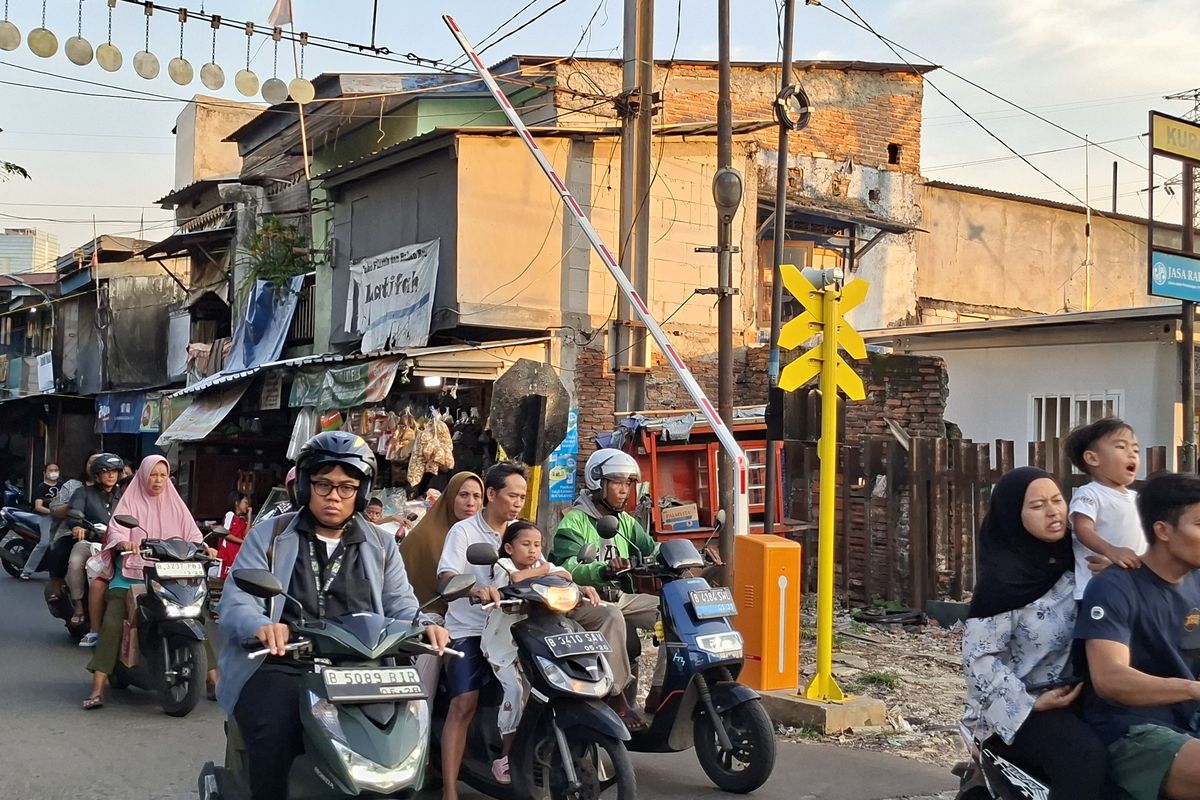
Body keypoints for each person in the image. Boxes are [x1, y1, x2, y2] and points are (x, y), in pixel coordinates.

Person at [217, 431, 450, 800]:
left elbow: (401, 603)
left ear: (361, 491)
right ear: (305, 486)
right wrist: (261, 625)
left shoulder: (381, 543)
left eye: (346, 487)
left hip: (362, 667)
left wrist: (424, 625)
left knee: (402, 741)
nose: (334, 496)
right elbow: (237, 601)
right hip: (286, 663)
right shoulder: (270, 535)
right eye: (323, 484)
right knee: (274, 732)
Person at [437, 463, 623, 800]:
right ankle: (450, 791)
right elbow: (446, 576)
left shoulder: (522, 533)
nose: (518, 502)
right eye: (512, 495)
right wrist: (474, 589)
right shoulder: (464, 532)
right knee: (464, 703)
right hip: (472, 627)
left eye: (522, 497)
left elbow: (550, 570)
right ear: (491, 494)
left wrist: (579, 587)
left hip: (523, 625)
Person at [961, 467, 1107, 800]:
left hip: (1087, 692)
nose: (1053, 511)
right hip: (1024, 706)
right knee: (1084, 757)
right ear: (1015, 515)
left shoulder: (1082, 559)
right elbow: (979, 658)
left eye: (1057, 500)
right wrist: (1030, 703)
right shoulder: (1003, 580)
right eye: (1037, 506)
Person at [1075, 471, 1200, 800]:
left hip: (1189, 720)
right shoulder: (1114, 587)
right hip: (1132, 730)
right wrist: (1191, 689)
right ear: (1163, 531)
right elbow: (1110, 678)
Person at [82, 455, 217, 710]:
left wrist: (205, 547)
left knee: (196, 614)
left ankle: (212, 680)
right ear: (144, 476)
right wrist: (124, 542)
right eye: (153, 475)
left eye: (163, 475)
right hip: (130, 577)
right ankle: (98, 687)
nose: (158, 480)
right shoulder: (130, 502)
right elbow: (116, 530)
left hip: (168, 575)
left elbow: (193, 534)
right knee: (113, 621)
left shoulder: (176, 504)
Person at [550, 448, 662, 712]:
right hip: (586, 599)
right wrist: (603, 570)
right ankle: (616, 694)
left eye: (628, 484)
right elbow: (568, 567)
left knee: (670, 612)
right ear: (597, 481)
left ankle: (660, 689)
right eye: (617, 482)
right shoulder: (574, 521)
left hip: (621, 597)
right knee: (612, 616)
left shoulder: (626, 522)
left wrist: (684, 553)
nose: (624, 490)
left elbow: (651, 549)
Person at [481, 520, 579, 784]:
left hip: (532, 643)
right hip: (501, 645)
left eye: (537, 544)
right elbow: (515, 579)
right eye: (526, 544)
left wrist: (548, 570)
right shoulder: (503, 565)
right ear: (509, 548)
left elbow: (567, 576)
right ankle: (505, 757)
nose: (533, 550)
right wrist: (545, 570)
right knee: (514, 691)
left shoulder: (540, 563)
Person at [1064, 418, 1145, 599]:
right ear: (1093, 458)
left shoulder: (1136, 498)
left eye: (1135, 449)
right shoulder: (1090, 493)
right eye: (1121, 447)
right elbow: (1083, 529)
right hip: (1098, 587)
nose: (1132, 454)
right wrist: (1111, 551)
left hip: (1133, 586)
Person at [400, 471, 484, 619]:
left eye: (477, 496)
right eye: (463, 495)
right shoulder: (422, 537)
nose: (470, 503)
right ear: (450, 497)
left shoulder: (484, 536)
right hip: (426, 619)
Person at [60, 453, 125, 641]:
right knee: (75, 561)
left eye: (114, 471)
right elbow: (74, 512)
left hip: (119, 544)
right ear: (97, 474)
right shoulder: (83, 492)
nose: (111, 475)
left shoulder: (124, 495)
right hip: (91, 541)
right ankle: (79, 605)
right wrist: (77, 526)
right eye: (106, 472)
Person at [45, 455, 97, 604]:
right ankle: (57, 582)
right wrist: (75, 504)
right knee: (62, 550)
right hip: (72, 531)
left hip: (103, 533)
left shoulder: (113, 489)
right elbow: (54, 509)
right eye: (91, 462)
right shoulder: (74, 486)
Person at [19, 463, 61, 580]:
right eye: (51, 470)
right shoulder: (40, 488)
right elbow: (38, 507)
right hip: (46, 517)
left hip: (63, 519)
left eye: (56, 470)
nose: (54, 472)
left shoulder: (63, 487)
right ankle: (27, 571)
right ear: (45, 473)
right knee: (44, 543)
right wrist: (53, 512)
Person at [217, 492, 251, 580]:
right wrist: (242, 542)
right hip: (227, 555)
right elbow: (225, 533)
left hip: (237, 556)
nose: (247, 506)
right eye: (245, 503)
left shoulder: (242, 520)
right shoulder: (230, 515)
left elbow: (247, 536)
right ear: (237, 503)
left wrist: (249, 518)